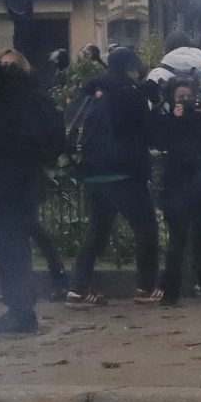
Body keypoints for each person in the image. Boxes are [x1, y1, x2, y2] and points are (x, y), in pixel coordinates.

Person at [0, 52, 61, 334]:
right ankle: (21, 307)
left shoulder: (5, 103)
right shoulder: (30, 98)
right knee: (15, 248)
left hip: (5, 188)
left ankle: (20, 310)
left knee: (9, 249)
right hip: (22, 186)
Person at [63, 45, 162, 305]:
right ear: (131, 67)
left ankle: (78, 288)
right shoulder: (131, 93)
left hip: (92, 173)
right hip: (125, 173)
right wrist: (155, 102)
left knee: (97, 231)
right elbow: (147, 131)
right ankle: (146, 287)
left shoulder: (91, 91)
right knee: (146, 230)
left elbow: (71, 117)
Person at [152, 66, 201, 305]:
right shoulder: (167, 119)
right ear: (172, 99)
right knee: (177, 242)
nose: (185, 102)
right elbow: (161, 141)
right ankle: (171, 291)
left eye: (189, 97)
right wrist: (174, 120)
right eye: (180, 98)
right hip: (178, 188)